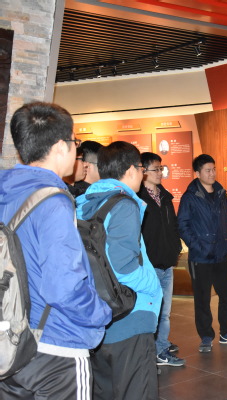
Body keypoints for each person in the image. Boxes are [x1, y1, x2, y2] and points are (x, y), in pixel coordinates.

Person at [0, 102, 111, 399]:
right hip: (56, 347)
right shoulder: (54, 201)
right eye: (75, 142)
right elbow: (63, 288)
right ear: (61, 146)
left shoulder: (7, 191)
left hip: (11, 340)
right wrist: (100, 313)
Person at [76, 141, 163, 400]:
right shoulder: (124, 204)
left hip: (99, 314)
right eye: (141, 169)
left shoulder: (86, 201)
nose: (142, 175)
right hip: (130, 314)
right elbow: (124, 267)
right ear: (131, 169)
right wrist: (153, 286)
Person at [178, 154, 227, 353]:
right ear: (197, 173)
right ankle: (206, 336)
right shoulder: (190, 196)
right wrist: (198, 247)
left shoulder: (220, 193)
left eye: (214, 169)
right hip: (201, 257)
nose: (212, 173)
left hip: (220, 255)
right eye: (208, 170)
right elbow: (182, 225)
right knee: (202, 299)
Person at [138, 152, 184, 367]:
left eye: (161, 168)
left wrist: (176, 248)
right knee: (150, 312)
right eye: (155, 169)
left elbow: (173, 226)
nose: (160, 173)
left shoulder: (165, 197)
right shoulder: (138, 198)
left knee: (165, 313)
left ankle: (162, 349)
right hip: (149, 265)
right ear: (143, 171)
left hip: (167, 263)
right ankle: (150, 352)